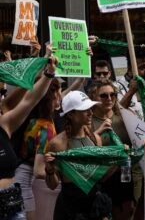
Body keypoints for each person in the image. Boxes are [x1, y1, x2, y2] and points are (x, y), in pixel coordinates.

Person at [0, 56, 57, 220]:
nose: (1, 97)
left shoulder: (4, 124)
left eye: (2, 92)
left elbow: (30, 100)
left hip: (13, 207)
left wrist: (48, 74)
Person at [44, 91, 112, 220]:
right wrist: (49, 169)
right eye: (85, 109)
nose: (91, 113)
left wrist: (118, 160)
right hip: (70, 208)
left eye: (90, 108)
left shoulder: (96, 139)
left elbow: (101, 178)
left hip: (94, 206)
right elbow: (52, 185)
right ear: (70, 114)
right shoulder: (57, 144)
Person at [14, 78, 61, 220]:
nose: (62, 94)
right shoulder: (45, 126)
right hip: (22, 182)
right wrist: (61, 172)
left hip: (21, 178)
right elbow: (38, 170)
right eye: (59, 90)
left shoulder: (35, 118)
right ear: (53, 95)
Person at [88, 80, 135, 220]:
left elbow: (137, 142)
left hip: (125, 173)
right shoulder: (88, 121)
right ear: (94, 98)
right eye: (103, 95)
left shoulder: (124, 118)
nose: (109, 99)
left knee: (127, 211)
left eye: (112, 94)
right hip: (102, 179)